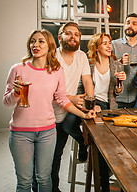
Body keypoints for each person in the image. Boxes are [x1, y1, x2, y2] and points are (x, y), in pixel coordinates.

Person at [3, 30, 95, 192]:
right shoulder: (18, 69)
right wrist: (15, 93)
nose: (35, 45)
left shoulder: (56, 71)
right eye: (32, 41)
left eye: (41, 41)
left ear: (49, 46)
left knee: (44, 179)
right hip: (20, 134)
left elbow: (62, 99)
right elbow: (7, 102)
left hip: (47, 132)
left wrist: (84, 114)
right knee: (24, 182)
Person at [51, 22, 94, 192]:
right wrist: (73, 98)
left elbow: (87, 80)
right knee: (52, 156)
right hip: (50, 113)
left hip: (69, 109)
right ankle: (51, 188)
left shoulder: (81, 56)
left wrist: (91, 102)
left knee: (57, 155)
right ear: (59, 36)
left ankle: (83, 144)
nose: (73, 37)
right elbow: (49, 89)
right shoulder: (52, 56)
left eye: (76, 34)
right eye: (68, 33)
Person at [81, 32, 126, 192]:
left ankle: (107, 176)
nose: (109, 46)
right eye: (104, 43)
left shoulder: (116, 63)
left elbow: (118, 92)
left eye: (109, 43)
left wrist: (120, 83)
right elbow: (82, 89)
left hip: (110, 107)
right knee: (101, 143)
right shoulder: (88, 64)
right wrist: (93, 105)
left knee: (115, 143)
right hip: (92, 106)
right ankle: (103, 184)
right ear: (96, 47)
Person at [112, 13, 137, 108]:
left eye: (134, 23)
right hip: (116, 99)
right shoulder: (114, 45)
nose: (130, 25)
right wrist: (119, 62)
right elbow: (105, 67)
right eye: (128, 23)